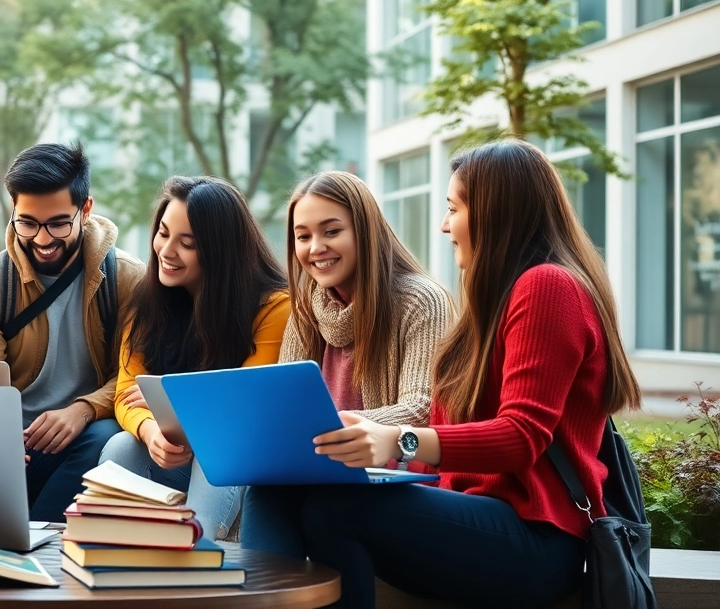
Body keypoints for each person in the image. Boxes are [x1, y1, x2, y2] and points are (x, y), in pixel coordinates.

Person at [241, 139, 641, 608]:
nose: (444, 225)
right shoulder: (493, 299)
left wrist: (398, 439)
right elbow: (451, 435)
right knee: (273, 489)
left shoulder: (548, 286)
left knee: (336, 509)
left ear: (496, 212)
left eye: (454, 208)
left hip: (537, 544)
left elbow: (521, 436)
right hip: (468, 525)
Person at [99, 176, 291, 540]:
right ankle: (121, 559)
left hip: (235, 461)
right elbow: (127, 393)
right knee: (121, 444)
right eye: (163, 233)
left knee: (214, 448)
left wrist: (170, 399)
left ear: (222, 251)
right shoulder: (144, 305)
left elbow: (246, 401)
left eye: (187, 243)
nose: (166, 251)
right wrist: (151, 428)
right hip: (171, 453)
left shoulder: (274, 307)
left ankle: (197, 558)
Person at [0, 143, 144, 521]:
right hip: (16, 445)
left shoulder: (128, 278)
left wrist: (83, 409)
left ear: (86, 209)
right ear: (13, 210)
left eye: (59, 222)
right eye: (27, 222)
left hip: (84, 438)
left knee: (104, 436)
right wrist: (2, 434)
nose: (43, 239)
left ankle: (36, 541)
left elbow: (134, 378)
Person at [280, 171, 452, 427]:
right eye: (303, 237)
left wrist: (328, 425)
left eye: (331, 231)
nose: (315, 248)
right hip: (315, 461)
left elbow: (422, 408)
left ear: (365, 230)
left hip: (395, 465)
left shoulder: (421, 300)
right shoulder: (306, 308)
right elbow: (283, 403)